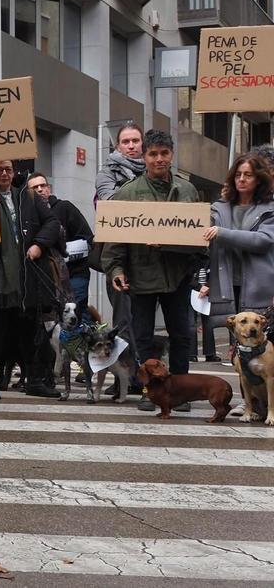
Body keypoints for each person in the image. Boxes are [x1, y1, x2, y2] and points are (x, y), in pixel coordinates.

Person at [101, 130, 205, 411]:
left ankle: (180, 392)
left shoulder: (188, 191)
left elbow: (200, 241)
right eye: (153, 154)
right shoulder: (127, 193)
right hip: (141, 276)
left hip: (177, 276)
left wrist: (177, 248)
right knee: (143, 336)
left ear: (171, 155)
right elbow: (115, 240)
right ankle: (149, 391)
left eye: (164, 153)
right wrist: (116, 270)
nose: (159, 159)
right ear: (144, 156)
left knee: (181, 334)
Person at [0, 160, 62, 399]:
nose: (4, 174)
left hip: (26, 278)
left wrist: (39, 244)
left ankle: (34, 379)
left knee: (30, 329)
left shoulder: (29, 198)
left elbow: (52, 222)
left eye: (7, 170)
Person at [199, 154, 274, 363]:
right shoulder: (218, 208)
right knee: (240, 359)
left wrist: (221, 233)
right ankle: (247, 397)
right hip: (227, 288)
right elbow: (197, 234)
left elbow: (263, 241)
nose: (241, 179)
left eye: (248, 175)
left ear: (259, 179)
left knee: (265, 356)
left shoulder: (270, 208)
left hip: (259, 289)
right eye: (238, 175)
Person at [95, 121, 145, 378]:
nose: (131, 146)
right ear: (118, 146)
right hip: (119, 258)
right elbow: (110, 202)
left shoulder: (153, 170)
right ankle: (125, 376)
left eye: (135, 141)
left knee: (143, 323)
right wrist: (145, 194)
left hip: (149, 258)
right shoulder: (107, 173)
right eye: (126, 141)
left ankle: (144, 375)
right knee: (123, 322)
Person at [27, 172, 94, 316]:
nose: (39, 189)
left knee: (75, 317)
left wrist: (64, 253)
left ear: (49, 189)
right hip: (47, 278)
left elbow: (87, 238)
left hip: (74, 273)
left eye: (43, 185)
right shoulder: (28, 216)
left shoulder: (64, 208)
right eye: (34, 187)